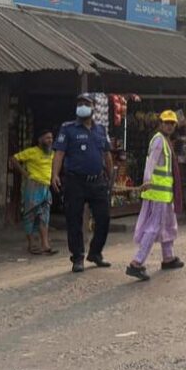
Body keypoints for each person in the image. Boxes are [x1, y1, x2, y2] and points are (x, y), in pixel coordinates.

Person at [52, 94, 114, 274]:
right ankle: (77, 257)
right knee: (74, 220)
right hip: (74, 181)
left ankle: (95, 253)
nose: (82, 107)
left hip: (97, 181)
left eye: (86, 104)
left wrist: (111, 176)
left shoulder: (101, 130)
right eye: (79, 103)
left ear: (94, 107)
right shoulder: (68, 128)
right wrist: (55, 174)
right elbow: (59, 154)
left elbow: (107, 154)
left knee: (104, 218)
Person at [127, 111, 183, 280]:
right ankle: (136, 263)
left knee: (168, 226)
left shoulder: (165, 141)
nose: (169, 126)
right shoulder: (159, 140)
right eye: (166, 122)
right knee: (153, 228)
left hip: (165, 195)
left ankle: (168, 257)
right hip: (158, 194)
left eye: (172, 123)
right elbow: (150, 161)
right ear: (160, 123)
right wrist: (146, 179)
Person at [11, 131, 57, 256]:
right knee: (30, 216)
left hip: (46, 187)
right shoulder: (32, 151)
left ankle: (45, 245)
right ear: (40, 139)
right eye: (47, 138)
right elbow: (14, 159)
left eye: (51, 138)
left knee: (44, 217)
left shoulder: (52, 154)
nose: (50, 140)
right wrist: (24, 174)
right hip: (33, 186)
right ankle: (31, 244)